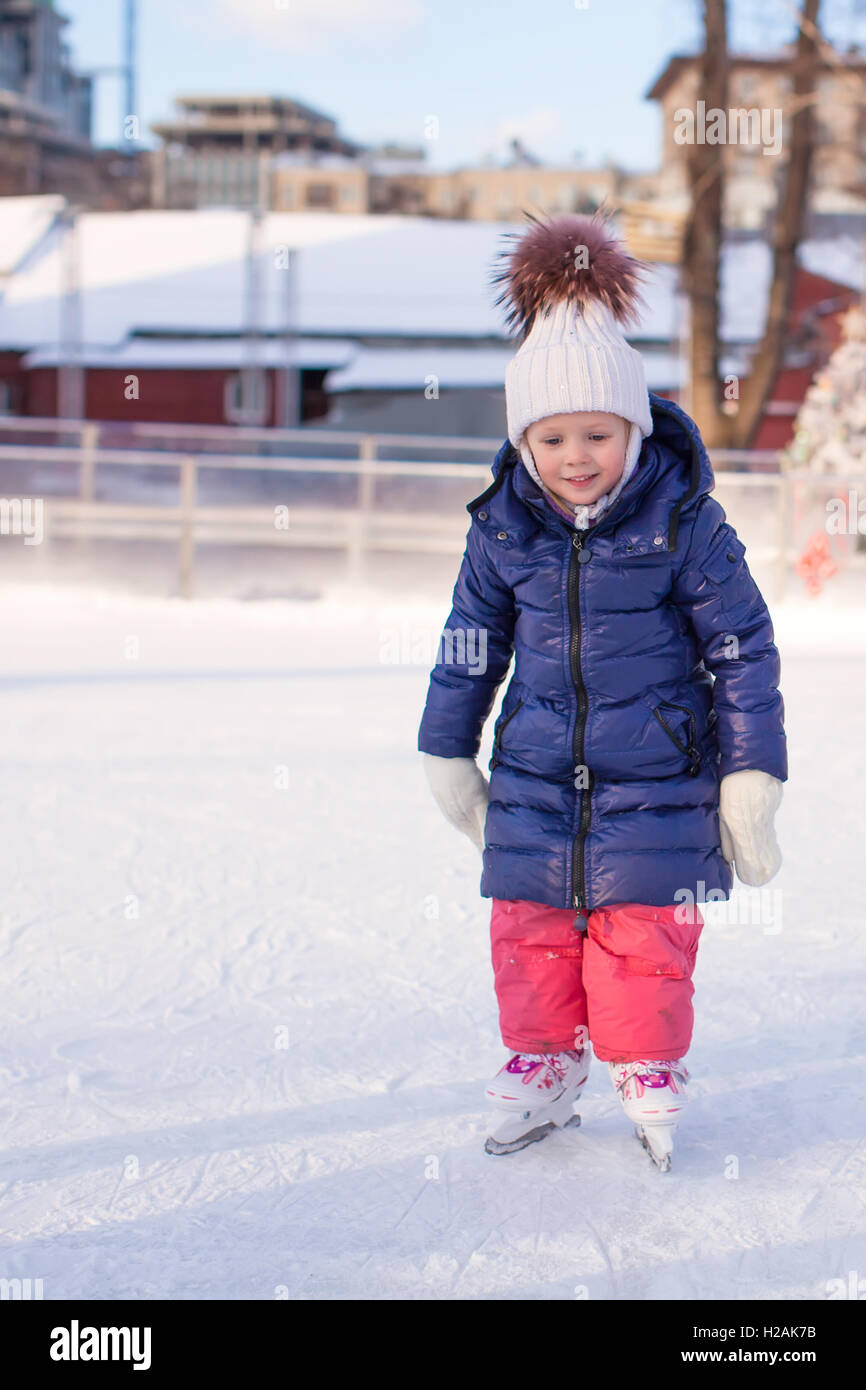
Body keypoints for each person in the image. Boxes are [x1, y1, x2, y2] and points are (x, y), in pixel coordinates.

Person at [417, 211, 787, 1169]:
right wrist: (446, 747)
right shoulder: (502, 529)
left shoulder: (686, 524)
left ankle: (645, 1064)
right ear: (524, 442)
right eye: (552, 437)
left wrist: (753, 775)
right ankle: (544, 1062)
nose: (576, 456)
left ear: (635, 430)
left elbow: (743, 647)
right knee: (528, 928)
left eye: (598, 433)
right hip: (538, 771)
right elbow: (469, 640)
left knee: (645, 935)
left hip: (661, 776)